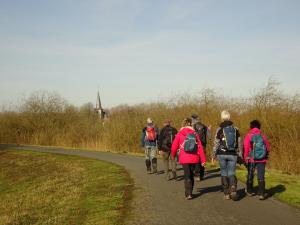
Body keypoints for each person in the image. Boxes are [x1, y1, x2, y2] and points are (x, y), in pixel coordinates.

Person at [171, 118, 206, 200]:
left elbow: (174, 147)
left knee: (187, 175)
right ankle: (190, 191)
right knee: (191, 174)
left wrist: (173, 155)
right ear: (191, 124)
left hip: (184, 158)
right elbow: (200, 147)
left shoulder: (179, 134)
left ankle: (188, 193)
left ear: (183, 124)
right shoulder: (195, 134)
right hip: (194, 158)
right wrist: (203, 160)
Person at [212, 110, 242, 201]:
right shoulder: (235, 129)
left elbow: (216, 143)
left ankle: (226, 193)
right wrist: (240, 155)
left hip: (222, 154)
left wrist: (213, 155)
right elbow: (240, 143)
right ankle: (233, 189)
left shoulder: (219, 129)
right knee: (232, 172)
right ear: (229, 117)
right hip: (233, 154)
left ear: (222, 118)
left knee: (224, 172)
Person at [243, 120, 270, 200]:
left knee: (250, 174)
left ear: (251, 127)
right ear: (259, 127)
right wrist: (265, 155)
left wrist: (245, 158)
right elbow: (268, 147)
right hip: (262, 159)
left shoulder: (248, 135)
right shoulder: (263, 136)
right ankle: (261, 193)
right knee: (261, 176)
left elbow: (246, 148)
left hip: (252, 159)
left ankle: (249, 191)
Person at [191, 113, 211, 181]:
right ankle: (201, 175)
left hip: (195, 144)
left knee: (196, 159)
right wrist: (209, 130)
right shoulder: (204, 127)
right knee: (202, 159)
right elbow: (209, 136)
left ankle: (197, 175)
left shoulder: (193, 126)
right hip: (203, 145)